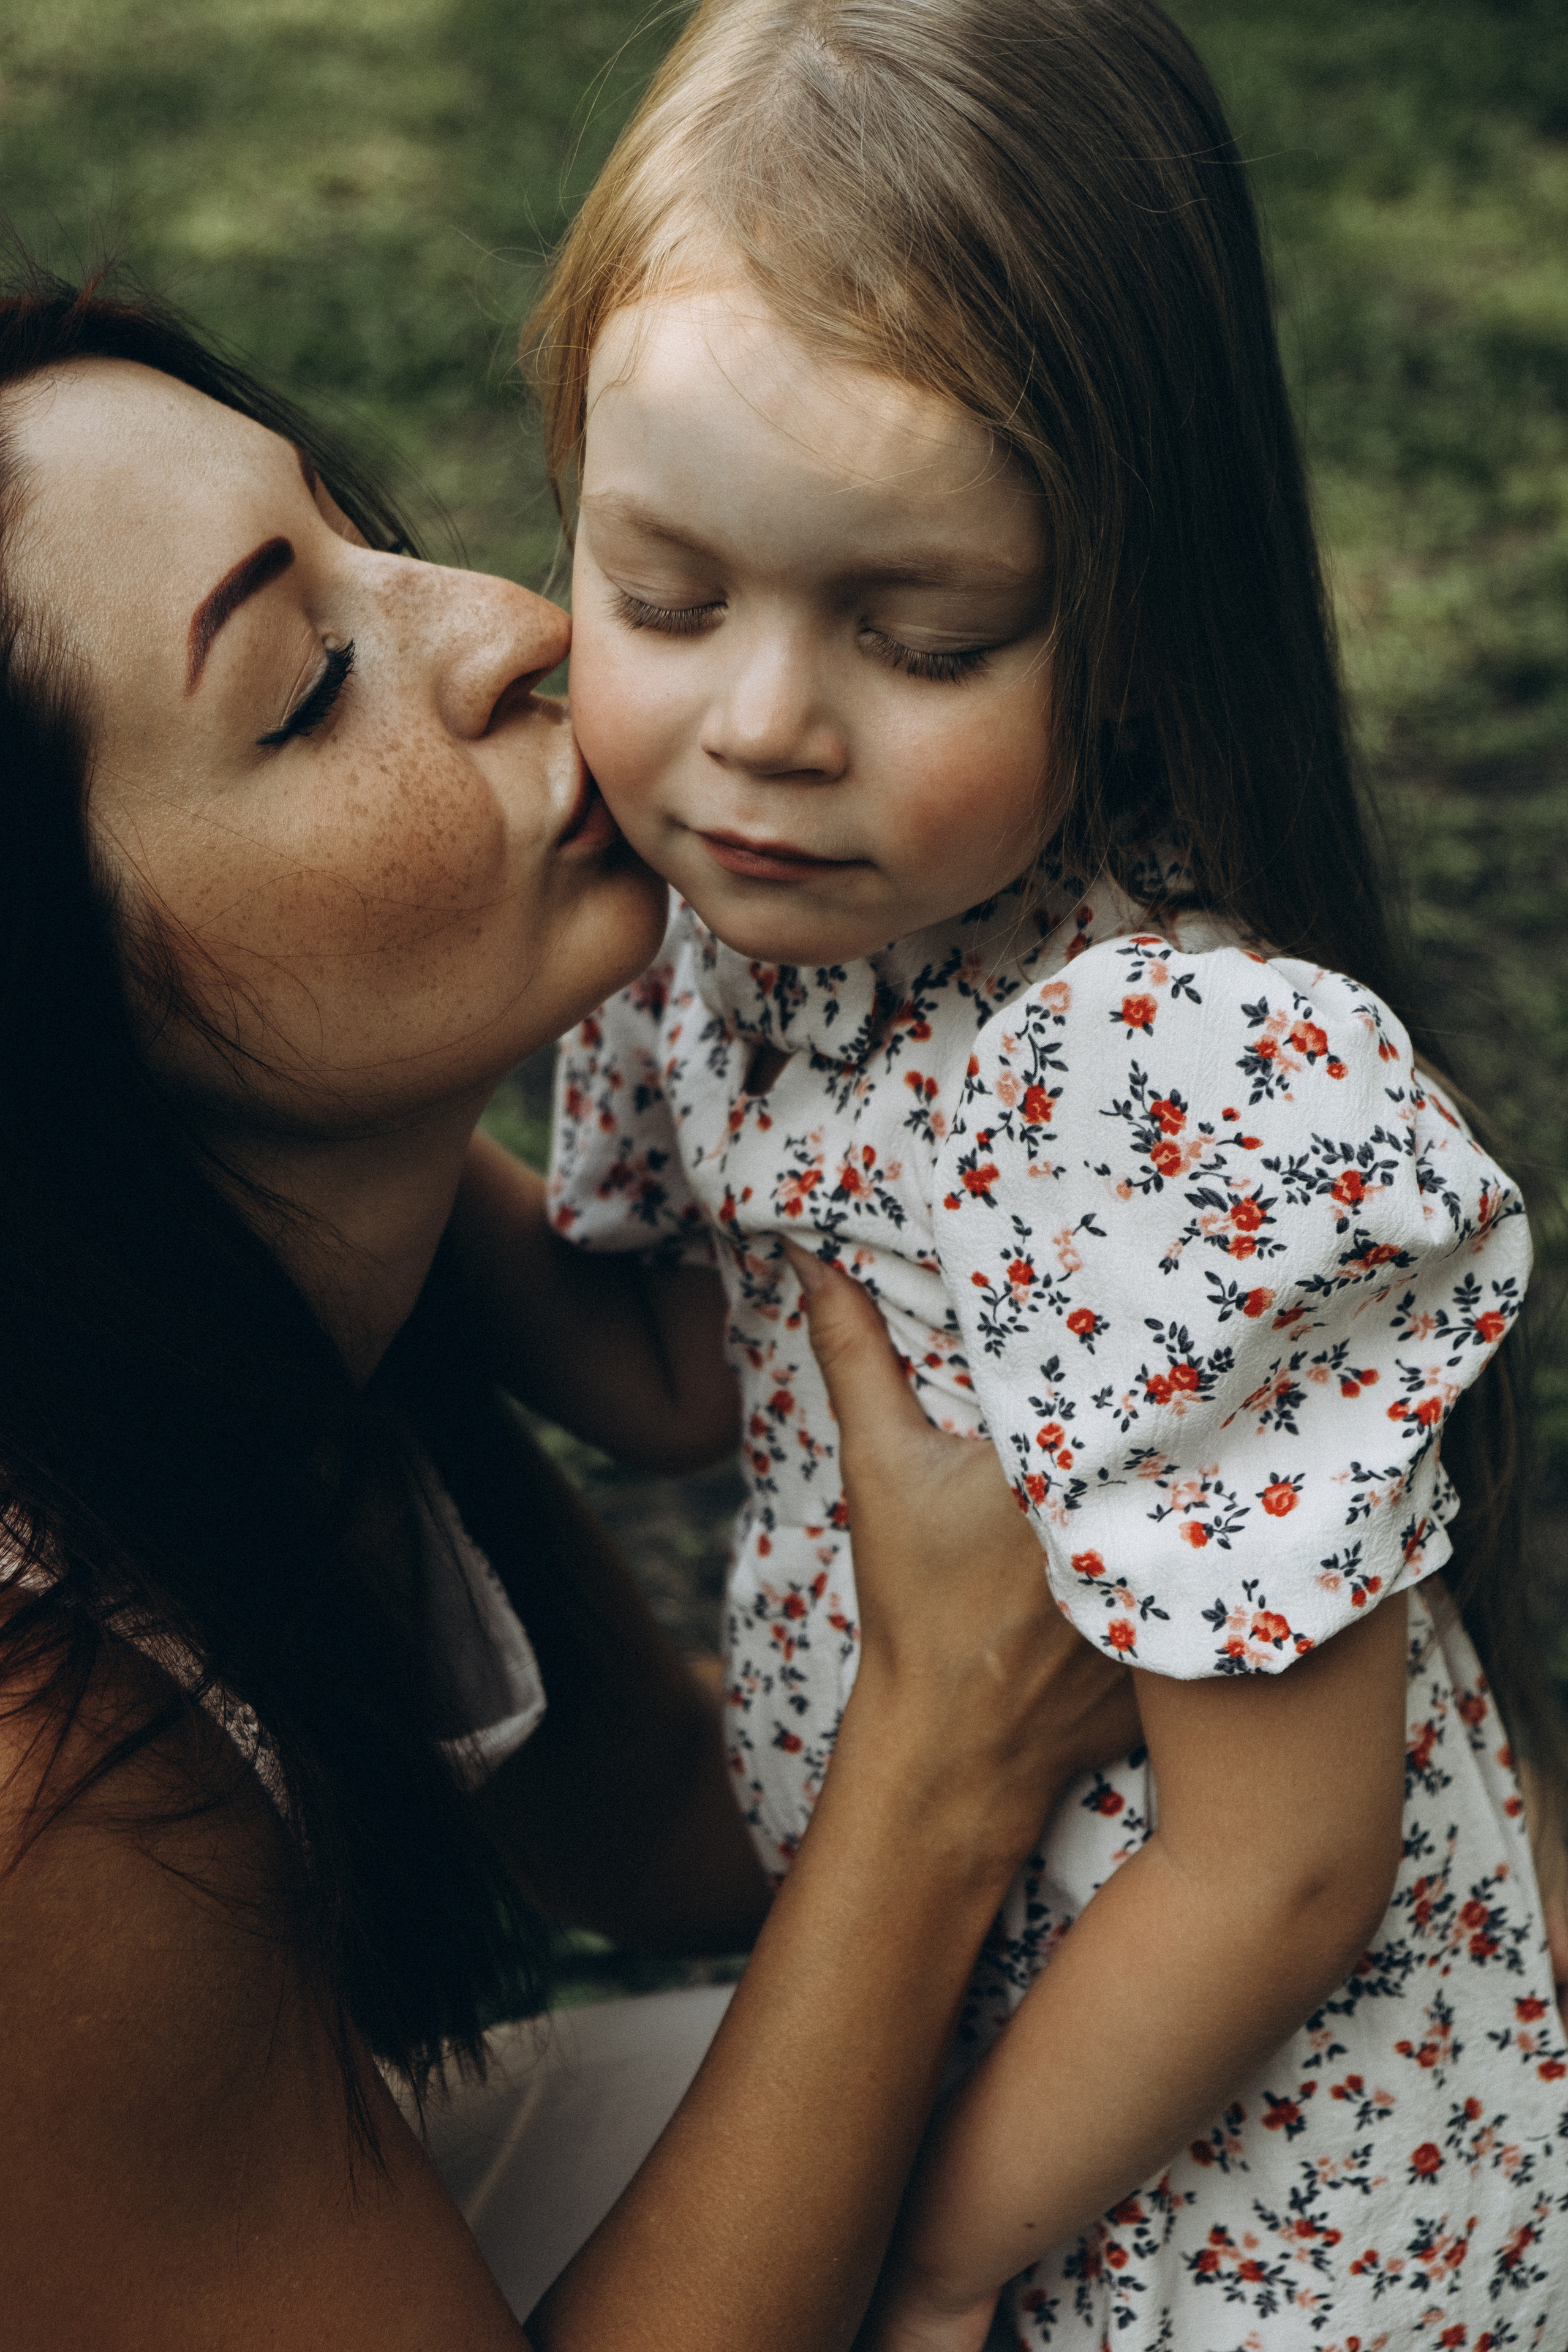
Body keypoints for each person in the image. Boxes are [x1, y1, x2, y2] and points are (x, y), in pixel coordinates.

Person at [458, 1, 1568, 2341]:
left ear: (1139, 618)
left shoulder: (1172, 1088)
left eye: (920, 632)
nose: (764, 722)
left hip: (1239, 2199)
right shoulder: (758, 920)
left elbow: (1281, 1871)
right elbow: (696, 1368)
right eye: (662, 597)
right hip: (961, 2031)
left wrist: (945, 2250)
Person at [0, 270, 1145, 2351]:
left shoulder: (309, 1270)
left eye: (353, 523)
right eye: (309, 679)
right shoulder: (37, 1754)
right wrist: (945, 1750)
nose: (518, 624)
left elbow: (649, 1822)